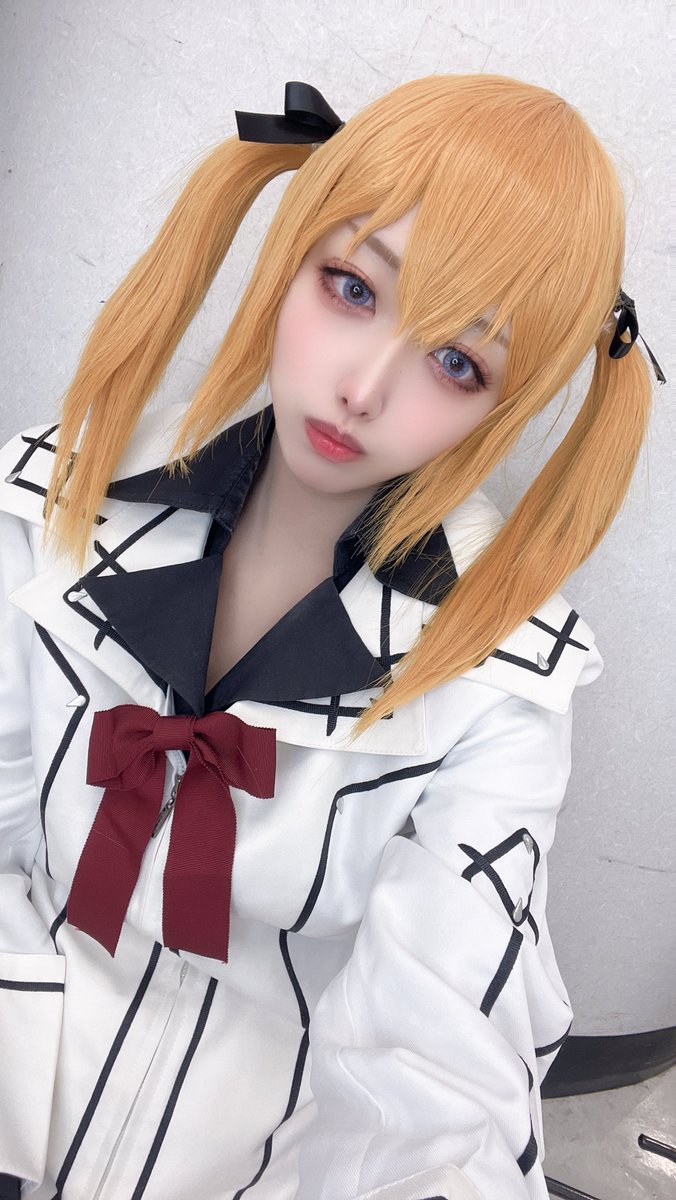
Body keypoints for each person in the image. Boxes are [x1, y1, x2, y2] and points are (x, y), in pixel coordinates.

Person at [0, 74, 665, 1200]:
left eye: (457, 362)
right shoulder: (51, 502)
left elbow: (441, 1053)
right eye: (352, 286)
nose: (362, 388)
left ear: (501, 406)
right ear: (291, 249)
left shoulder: (501, 686)